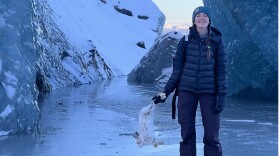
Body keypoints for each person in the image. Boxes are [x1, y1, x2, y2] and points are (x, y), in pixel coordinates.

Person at [152, 6, 227, 156]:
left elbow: (221, 71)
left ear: (209, 20)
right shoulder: (185, 41)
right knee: (186, 133)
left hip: (209, 91)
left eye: (205, 16)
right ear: (194, 20)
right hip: (187, 90)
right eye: (198, 16)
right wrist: (165, 92)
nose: (201, 18)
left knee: (212, 134)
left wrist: (222, 95)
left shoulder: (217, 42)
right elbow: (177, 72)